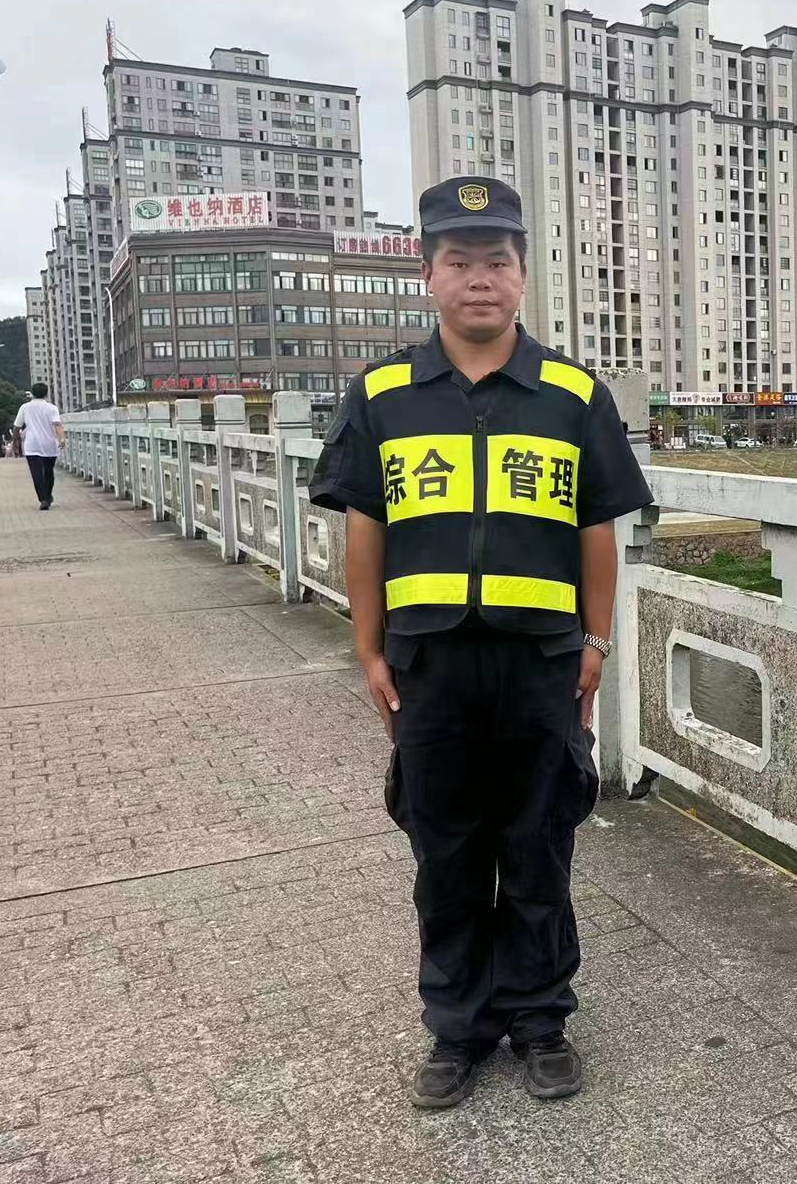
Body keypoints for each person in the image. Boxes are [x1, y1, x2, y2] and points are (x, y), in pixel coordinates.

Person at [310, 177, 652, 1111]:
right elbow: (365, 530)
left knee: (539, 845)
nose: (478, 279)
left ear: (522, 276)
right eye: (458, 261)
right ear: (428, 275)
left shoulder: (573, 394)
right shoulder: (383, 395)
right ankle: (458, 1026)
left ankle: (540, 1018)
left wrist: (595, 642)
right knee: (447, 852)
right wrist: (368, 650)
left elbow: (596, 529)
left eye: (496, 261)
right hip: (430, 666)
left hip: (541, 664)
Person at [12, 384, 64, 510]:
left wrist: (15, 443)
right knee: (48, 472)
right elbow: (57, 425)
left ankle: (43, 499)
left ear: (32, 394)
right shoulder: (52, 408)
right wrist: (62, 439)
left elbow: (16, 427)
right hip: (49, 445)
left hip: (32, 446)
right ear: (46, 393)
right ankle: (48, 495)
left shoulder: (25, 407)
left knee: (37, 474)